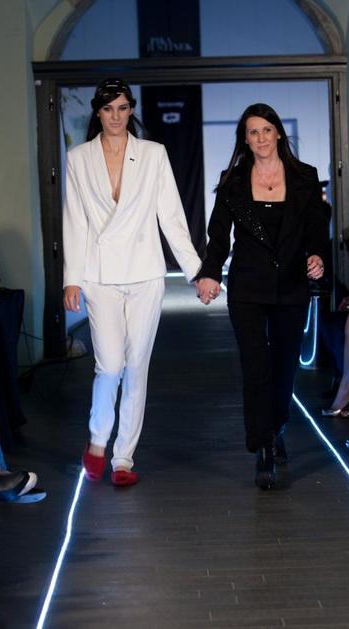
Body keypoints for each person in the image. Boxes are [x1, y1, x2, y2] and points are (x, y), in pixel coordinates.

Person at [63, 77, 201, 486]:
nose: (116, 116)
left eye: (123, 108)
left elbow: (170, 216)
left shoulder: (153, 154)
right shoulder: (78, 158)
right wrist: (71, 279)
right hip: (99, 274)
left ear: (131, 109)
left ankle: (122, 458)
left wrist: (195, 271)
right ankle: (97, 440)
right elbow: (75, 221)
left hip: (144, 272)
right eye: (108, 109)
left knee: (137, 365)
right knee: (109, 365)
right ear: (98, 111)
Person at [196, 103, 327, 489]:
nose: (261, 138)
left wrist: (318, 255)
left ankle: (277, 425)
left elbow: (317, 228)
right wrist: (210, 272)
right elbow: (218, 234)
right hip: (248, 287)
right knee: (256, 367)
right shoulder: (233, 181)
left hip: (291, 285)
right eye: (253, 132)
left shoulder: (304, 177)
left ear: (278, 133)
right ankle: (263, 447)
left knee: (284, 366)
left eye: (266, 130)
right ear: (245, 140)